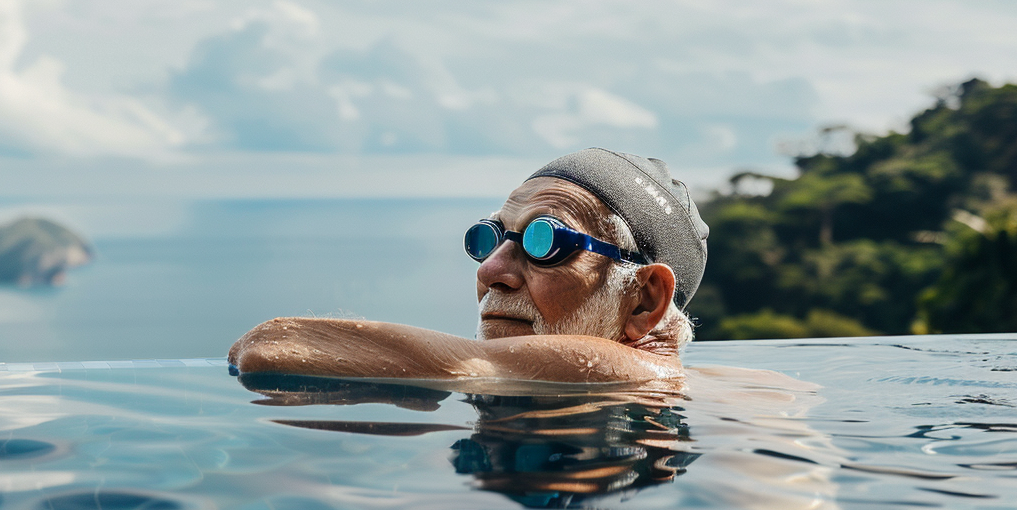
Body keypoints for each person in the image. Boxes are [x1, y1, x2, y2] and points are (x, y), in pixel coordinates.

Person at [229, 148, 709, 386]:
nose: (491, 270)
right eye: (492, 238)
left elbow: (273, 347)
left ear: (644, 300)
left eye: (546, 241)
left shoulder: (623, 373)